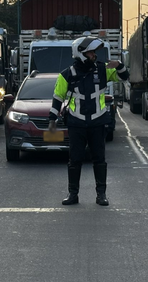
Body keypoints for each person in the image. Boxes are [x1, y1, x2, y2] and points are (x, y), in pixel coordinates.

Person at [48, 36, 129, 206]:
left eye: (94, 52)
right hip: (76, 124)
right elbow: (57, 97)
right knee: (75, 160)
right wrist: (52, 120)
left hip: (97, 123)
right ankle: (73, 194)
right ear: (81, 53)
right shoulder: (66, 74)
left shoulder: (102, 69)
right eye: (91, 52)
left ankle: (101, 195)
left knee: (99, 160)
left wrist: (119, 65)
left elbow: (124, 77)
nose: (94, 55)